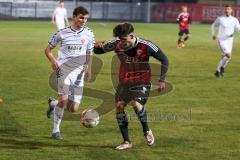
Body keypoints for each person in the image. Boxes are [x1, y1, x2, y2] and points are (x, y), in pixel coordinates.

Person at [94, 22, 169, 150]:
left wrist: (161, 80)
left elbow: (164, 59)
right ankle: (127, 141)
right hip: (124, 81)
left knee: (135, 103)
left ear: (132, 36)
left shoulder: (146, 46)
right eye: (119, 39)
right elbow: (99, 51)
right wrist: (96, 46)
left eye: (124, 39)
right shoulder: (116, 43)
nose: (121, 42)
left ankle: (146, 130)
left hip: (142, 81)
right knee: (119, 106)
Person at [44, 6, 95, 140]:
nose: (83, 21)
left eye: (85, 18)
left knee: (73, 108)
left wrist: (89, 69)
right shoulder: (62, 33)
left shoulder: (89, 33)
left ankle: (53, 104)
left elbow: (90, 52)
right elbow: (47, 50)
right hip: (63, 70)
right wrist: (54, 61)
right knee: (64, 99)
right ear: (74, 17)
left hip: (79, 73)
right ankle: (56, 131)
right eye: (81, 18)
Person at [211, 5, 240, 77]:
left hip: (230, 40)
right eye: (226, 9)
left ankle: (218, 71)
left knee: (227, 57)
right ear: (224, 11)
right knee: (228, 55)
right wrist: (213, 34)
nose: (227, 10)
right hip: (222, 40)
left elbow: (238, 29)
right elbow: (213, 25)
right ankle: (221, 68)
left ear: (231, 10)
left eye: (229, 9)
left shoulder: (234, 19)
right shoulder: (220, 19)